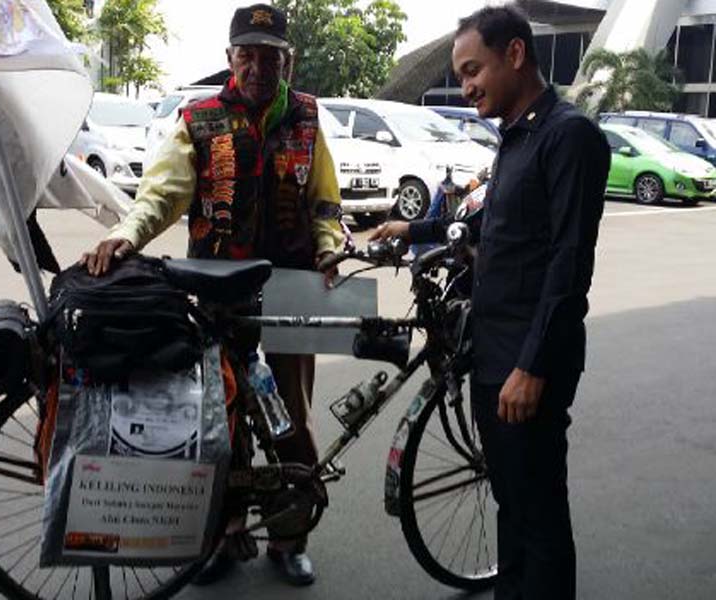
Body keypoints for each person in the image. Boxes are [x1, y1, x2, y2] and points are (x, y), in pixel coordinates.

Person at [81, 3, 343, 587]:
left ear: (287, 61)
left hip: (294, 290)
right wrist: (125, 235)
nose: (257, 67)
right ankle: (225, 534)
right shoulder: (197, 119)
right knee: (221, 421)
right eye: (246, 55)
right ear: (229, 59)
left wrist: (328, 243)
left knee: (291, 417)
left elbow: (324, 200)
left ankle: (289, 535)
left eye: (269, 57)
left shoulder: (306, 116)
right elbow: (161, 195)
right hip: (217, 295)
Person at [371, 5, 609, 599]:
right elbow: (487, 227)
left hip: (528, 362)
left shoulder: (567, 135)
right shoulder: (516, 136)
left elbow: (568, 265)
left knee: (539, 516)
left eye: (474, 69)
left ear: (516, 55)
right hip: (490, 352)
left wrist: (531, 368)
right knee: (510, 504)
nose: (466, 85)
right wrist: (412, 232)